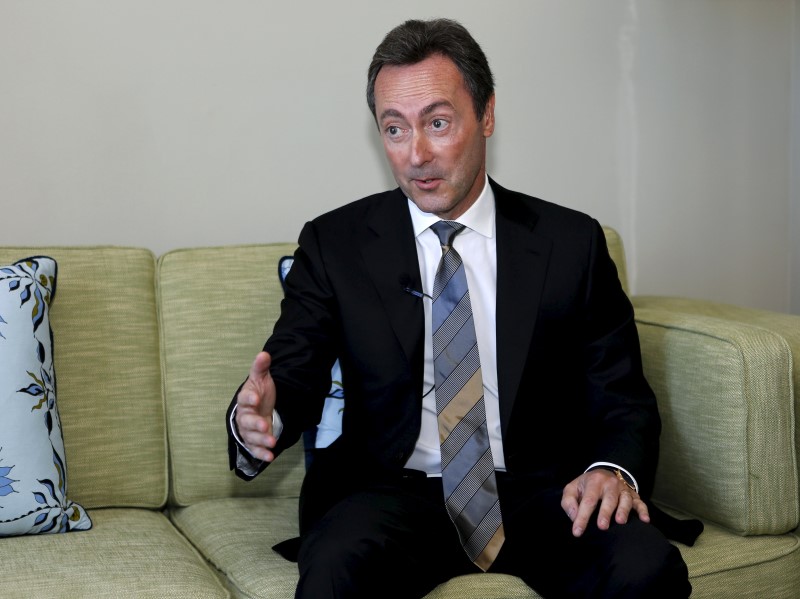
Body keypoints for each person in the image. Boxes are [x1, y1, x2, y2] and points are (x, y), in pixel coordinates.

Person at [227, 18, 692, 598]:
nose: (416, 154)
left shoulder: (570, 243)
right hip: (393, 494)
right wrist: (263, 418)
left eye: (437, 124)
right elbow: (291, 369)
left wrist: (610, 470)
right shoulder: (336, 243)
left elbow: (621, 395)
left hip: (546, 492)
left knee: (646, 568)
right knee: (334, 574)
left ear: (487, 115)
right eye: (394, 130)